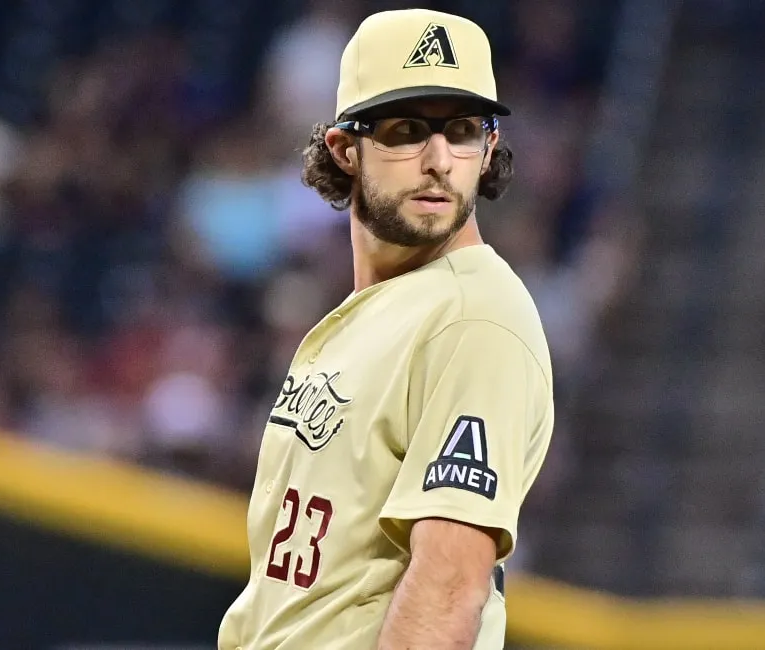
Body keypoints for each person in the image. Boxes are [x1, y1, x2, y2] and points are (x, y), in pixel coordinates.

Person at [216, 8, 554, 650]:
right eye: (407, 131)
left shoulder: (473, 318)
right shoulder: (379, 311)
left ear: (488, 150)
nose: (439, 160)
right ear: (345, 150)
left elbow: (448, 587)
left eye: (463, 131)